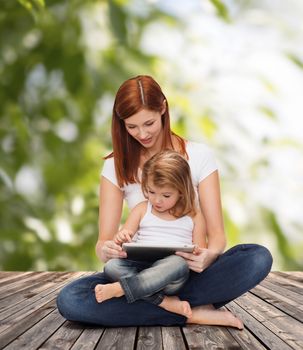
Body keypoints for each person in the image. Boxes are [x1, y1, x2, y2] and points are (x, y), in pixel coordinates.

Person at [56, 75, 272, 328]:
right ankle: (190, 311)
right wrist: (107, 248)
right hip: (133, 269)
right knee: (70, 299)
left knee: (257, 257)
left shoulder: (199, 156)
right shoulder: (114, 166)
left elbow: (216, 237)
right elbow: (104, 241)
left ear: (163, 109)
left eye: (148, 123)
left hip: (184, 270)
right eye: (132, 127)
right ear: (121, 124)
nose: (142, 133)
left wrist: (208, 256)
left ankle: (150, 303)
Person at [95, 150, 207, 319]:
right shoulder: (141, 209)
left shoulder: (194, 216)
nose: (157, 201)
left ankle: (120, 289)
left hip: (170, 277)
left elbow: (201, 255)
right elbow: (123, 238)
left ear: (181, 191)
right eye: (151, 192)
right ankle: (164, 302)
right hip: (140, 268)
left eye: (166, 195)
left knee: (178, 263)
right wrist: (121, 237)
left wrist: (197, 253)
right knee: (112, 266)